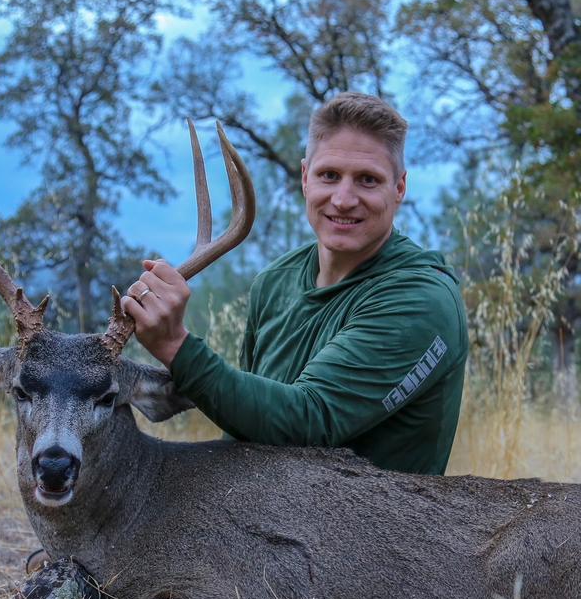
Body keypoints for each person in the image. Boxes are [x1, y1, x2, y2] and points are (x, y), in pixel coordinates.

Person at [121, 93, 468, 476]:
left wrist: (176, 346)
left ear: (399, 188)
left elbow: (309, 423)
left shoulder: (421, 300)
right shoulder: (275, 281)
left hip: (371, 530)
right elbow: (244, 436)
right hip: (267, 523)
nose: (343, 198)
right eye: (329, 175)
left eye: (368, 180)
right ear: (305, 178)